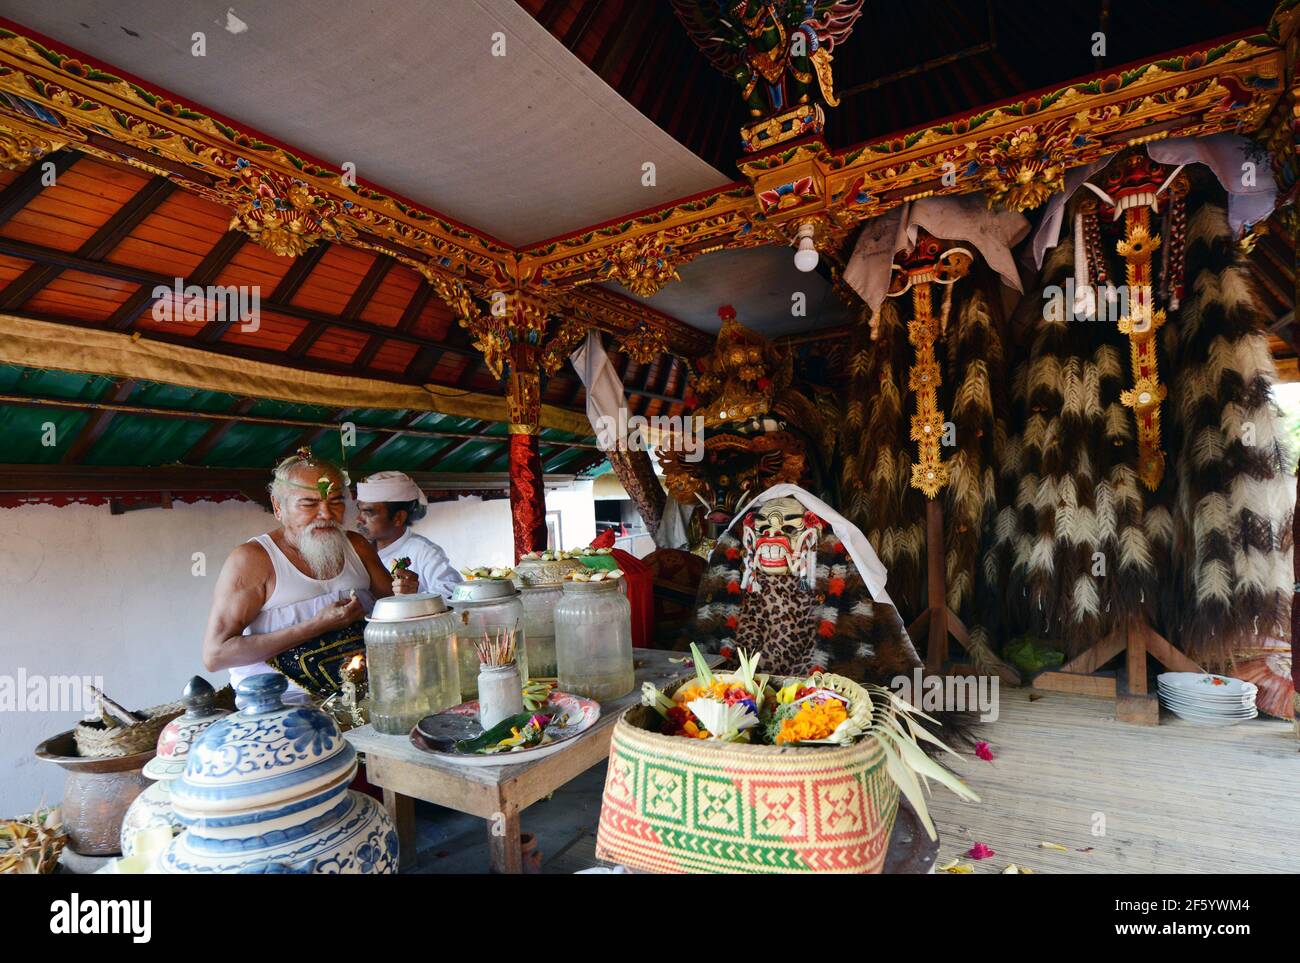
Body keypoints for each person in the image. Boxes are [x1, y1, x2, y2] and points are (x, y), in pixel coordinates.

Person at [201, 449, 412, 705]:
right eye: (309, 504)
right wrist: (316, 625)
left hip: (368, 695)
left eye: (335, 501)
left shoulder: (356, 545)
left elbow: (394, 610)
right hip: (284, 707)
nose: (326, 514)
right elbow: (216, 655)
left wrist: (406, 593)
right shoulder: (253, 559)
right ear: (279, 507)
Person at [355, 470, 462, 599]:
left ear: (398, 517)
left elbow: (454, 591)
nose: (359, 519)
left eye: (368, 512)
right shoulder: (358, 550)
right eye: (360, 511)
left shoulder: (424, 551)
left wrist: (414, 598)